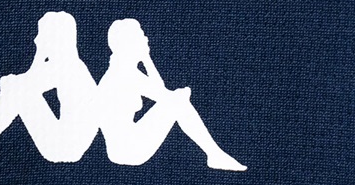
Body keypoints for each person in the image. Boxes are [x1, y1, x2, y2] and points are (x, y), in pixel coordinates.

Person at [0, 12, 98, 166]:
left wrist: (39, 55)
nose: (36, 39)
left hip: (63, 148)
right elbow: (30, 78)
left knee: (15, 88)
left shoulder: (65, 67)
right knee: (16, 87)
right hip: (66, 145)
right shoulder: (70, 65)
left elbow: (25, 82)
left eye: (41, 35)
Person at [97, 19, 247, 170]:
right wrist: (180, 95)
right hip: (128, 150)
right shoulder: (124, 75)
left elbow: (160, 90)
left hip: (119, 150)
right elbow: (163, 95)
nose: (146, 39)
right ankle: (214, 154)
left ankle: (215, 154)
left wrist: (146, 59)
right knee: (178, 101)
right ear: (129, 44)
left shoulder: (121, 71)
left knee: (177, 99)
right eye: (141, 36)